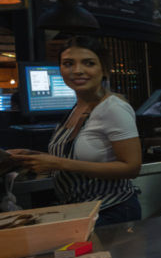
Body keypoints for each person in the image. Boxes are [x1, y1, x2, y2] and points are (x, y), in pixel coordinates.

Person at [10, 36, 143, 227]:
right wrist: (34, 156)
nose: (77, 70)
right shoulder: (77, 108)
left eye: (88, 63)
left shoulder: (113, 108)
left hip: (112, 212)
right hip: (82, 212)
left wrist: (58, 163)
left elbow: (131, 168)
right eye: (68, 64)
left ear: (103, 69)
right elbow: (77, 156)